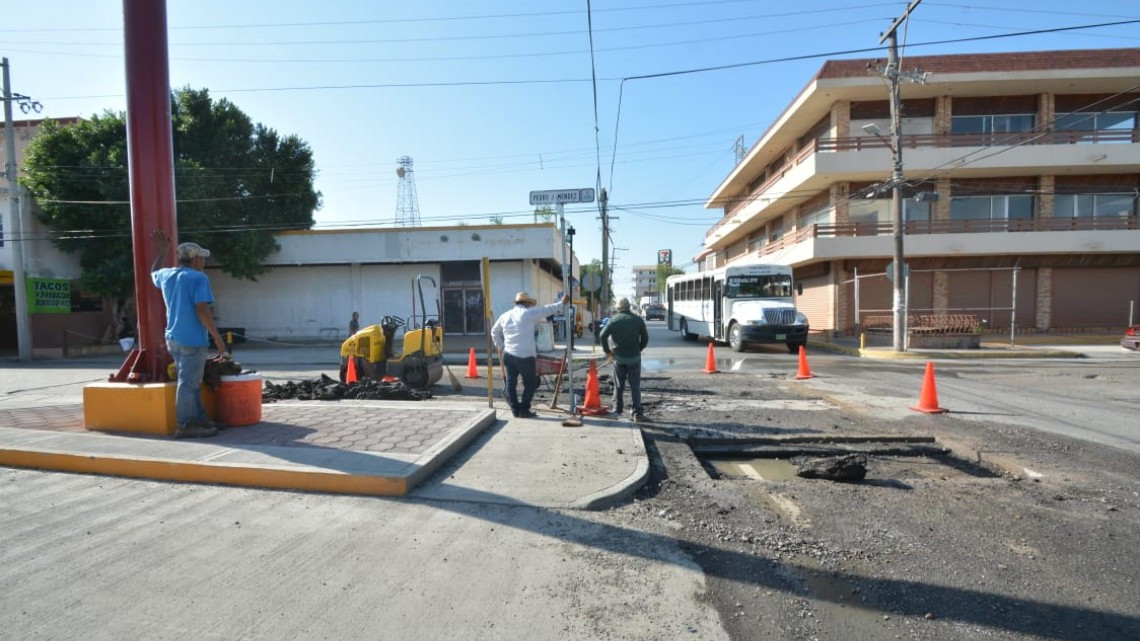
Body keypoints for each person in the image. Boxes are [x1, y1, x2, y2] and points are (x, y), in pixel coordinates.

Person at [151, 230, 227, 439]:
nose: (203, 261)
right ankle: (185, 425)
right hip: (193, 339)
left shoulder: (167, 275)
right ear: (195, 260)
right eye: (202, 258)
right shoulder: (198, 278)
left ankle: (200, 420)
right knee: (189, 383)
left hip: (173, 338)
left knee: (192, 381)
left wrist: (162, 251)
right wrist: (218, 339)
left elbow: (153, 271)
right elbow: (202, 309)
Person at [492, 291, 570, 418]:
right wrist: (561, 303)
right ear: (527, 303)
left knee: (511, 383)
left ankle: (514, 409)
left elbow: (494, 331)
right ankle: (524, 409)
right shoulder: (528, 313)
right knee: (530, 383)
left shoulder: (505, 316)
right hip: (525, 355)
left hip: (508, 354)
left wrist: (500, 346)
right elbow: (546, 310)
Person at [599, 297, 650, 422]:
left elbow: (602, 335)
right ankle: (637, 413)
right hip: (634, 358)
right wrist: (638, 349)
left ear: (618, 308)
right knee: (635, 385)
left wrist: (608, 352)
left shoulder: (613, 320)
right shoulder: (638, 320)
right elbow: (645, 338)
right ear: (629, 307)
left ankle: (617, 410)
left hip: (619, 358)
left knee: (618, 385)